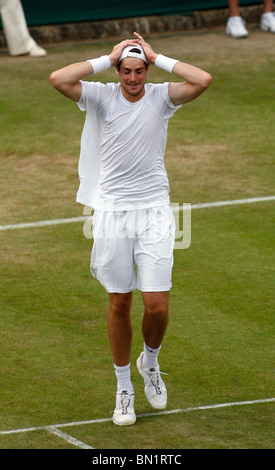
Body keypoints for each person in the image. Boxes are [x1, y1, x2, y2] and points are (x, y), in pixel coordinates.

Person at [50, 32, 212, 425]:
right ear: (119, 70)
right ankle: (123, 388)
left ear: (147, 69)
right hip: (112, 214)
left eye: (140, 71)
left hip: (154, 212)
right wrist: (107, 58)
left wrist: (160, 56)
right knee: (120, 303)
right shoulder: (101, 95)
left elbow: (202, 79)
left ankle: (150, 362)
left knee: (156, 305)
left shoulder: (161, 96)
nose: (134, 78)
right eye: (127, 71)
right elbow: (59, 78)